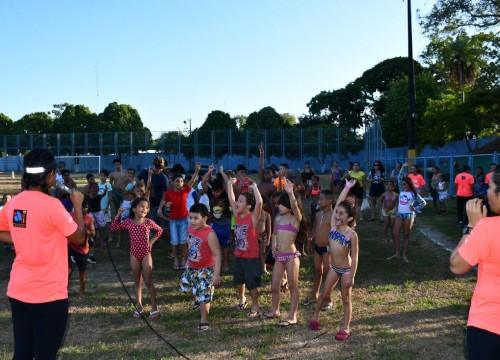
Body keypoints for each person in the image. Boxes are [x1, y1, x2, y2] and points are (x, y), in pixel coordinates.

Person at [0, 149, 85, 359]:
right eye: (55, 173)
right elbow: (79, 237)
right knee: (45, 354)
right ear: (48, 176)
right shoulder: (53, 206)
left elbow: (2, 230)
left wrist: (26, 237)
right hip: (48, 296)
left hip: (19, 292)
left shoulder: (14, 203)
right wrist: (77, 206)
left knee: (23, 353)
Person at [449, 167, 500, 360]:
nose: (486, 191)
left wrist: (472, 226)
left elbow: (456, 265)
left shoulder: (487, 228)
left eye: (490, 186)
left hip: (488, 323)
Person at [309, 179, 359, 342]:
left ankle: (345, 327)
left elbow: (356, 256)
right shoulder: (333, 227)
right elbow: (338, 203)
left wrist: (351, 276)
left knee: (346, 299)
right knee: (324, 294)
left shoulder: (352, 235)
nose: (337, 215)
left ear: (350, 218)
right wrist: (347, 187)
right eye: (337, 213)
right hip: (333, 267)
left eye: (341, 214)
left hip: (345, 270)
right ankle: (315, 316)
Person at [261, 179, 307, 327]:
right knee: (274, 286)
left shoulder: (295, 219)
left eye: (282, 204)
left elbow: (295, 206)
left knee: (293, 287)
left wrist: (290, 193)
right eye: (278, 203)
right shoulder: (278, 218)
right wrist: (273, 246)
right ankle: (275, 310)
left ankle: (292, 316)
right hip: (279, 256)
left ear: (289, 206)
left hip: (291, 257)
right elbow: (274, 233)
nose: (278, 206)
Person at [111, 197, 163, 319]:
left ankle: (154, 307)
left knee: (149, 281)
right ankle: (139, 306)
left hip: (146, 254)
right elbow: (114, 227)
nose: (144, 209)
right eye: (141, 206)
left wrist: (151, 242)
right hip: (134, 254)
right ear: (134, 209)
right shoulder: (129, 222)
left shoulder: (148, 222)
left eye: (146, 207)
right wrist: (118, 215)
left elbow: (159, 230)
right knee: (137, 281)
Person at [179, 203, 222, 331]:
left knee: (204, 295)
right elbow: (191, 246)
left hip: (206, 269)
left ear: (204, 218)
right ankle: (198, 298)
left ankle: (204, 319)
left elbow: (217, 254)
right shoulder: (191, 229)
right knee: (185, 287)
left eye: (195, 218)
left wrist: (216, 274)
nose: (192, 221)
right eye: (190, 218)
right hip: (191, 266)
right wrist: (187, 261)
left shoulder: (210, 234)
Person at [227, 178, 263, 318]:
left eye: (241, 201)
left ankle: (255, 304)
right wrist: (230, 184)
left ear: (248, 206)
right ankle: (242, 299)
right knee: (239, 280)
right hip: (238, 255)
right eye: (238, 200)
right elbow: (231, 198)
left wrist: (254, 187)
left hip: (250, 257)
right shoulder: (237, 216)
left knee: (251, 282)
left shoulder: (252, 218)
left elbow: (259, 203)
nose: (237, 202)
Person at [157, 163, 200, 270]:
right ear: (172, 183)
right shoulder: (169, 193)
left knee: (183, 241)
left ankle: (184, 260)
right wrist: (163, 206)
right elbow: (165, 201)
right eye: (177, 181)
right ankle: (175, 259)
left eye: (181, 181)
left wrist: (197, 170)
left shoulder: (185, 190)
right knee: (174, 241)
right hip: (173, 221)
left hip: (184, 219)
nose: (180, 183)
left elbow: (192, 181)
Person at [302, 189, 336, 310]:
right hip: (318, 248)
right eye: (319, 198)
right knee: (317, 270)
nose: (319, 201)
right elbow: (315, 228)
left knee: (328, 272)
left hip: (327, 249)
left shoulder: (333, 216)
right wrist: (311, 238)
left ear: (329, 201)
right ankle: (314, 295)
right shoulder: (318, 214)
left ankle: (328, 298)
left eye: (321, 199)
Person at [387, 162, 427, 262]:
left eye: (405, 184)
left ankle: (404, 255)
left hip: (409, 215)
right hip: (400, 215)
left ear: (409, 184)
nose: (403, 185)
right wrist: (403, 168)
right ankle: (397, 253)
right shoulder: (401, 190)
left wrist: (415, 208)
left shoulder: (413, 193)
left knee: (406, 234)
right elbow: (399, 178)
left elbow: (423, 202)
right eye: (402, 184)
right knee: (395, 233)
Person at [200, 165, 232, 272]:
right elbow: (203, 182)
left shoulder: (226, 194)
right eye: (214, 191)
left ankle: (226, 263)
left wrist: (222, 172)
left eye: (218, 192)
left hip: (225, 223)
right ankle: (213, 262)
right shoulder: (210, 192)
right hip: (214, 223)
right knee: (213, 244)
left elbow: (228, 183)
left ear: (222, 190)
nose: (215, 194)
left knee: (225, 246)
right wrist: (209, 171)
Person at [68, 200, 95, 298]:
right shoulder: (70, 216)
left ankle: (82, 289)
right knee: (67, 269)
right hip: (69, 245)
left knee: (82, 270)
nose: (84, 209)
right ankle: (64, 289)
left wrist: (87, 231)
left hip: (82, 248)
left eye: (86, 207)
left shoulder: (89, 217)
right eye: (82, 207)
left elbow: (93, 233)